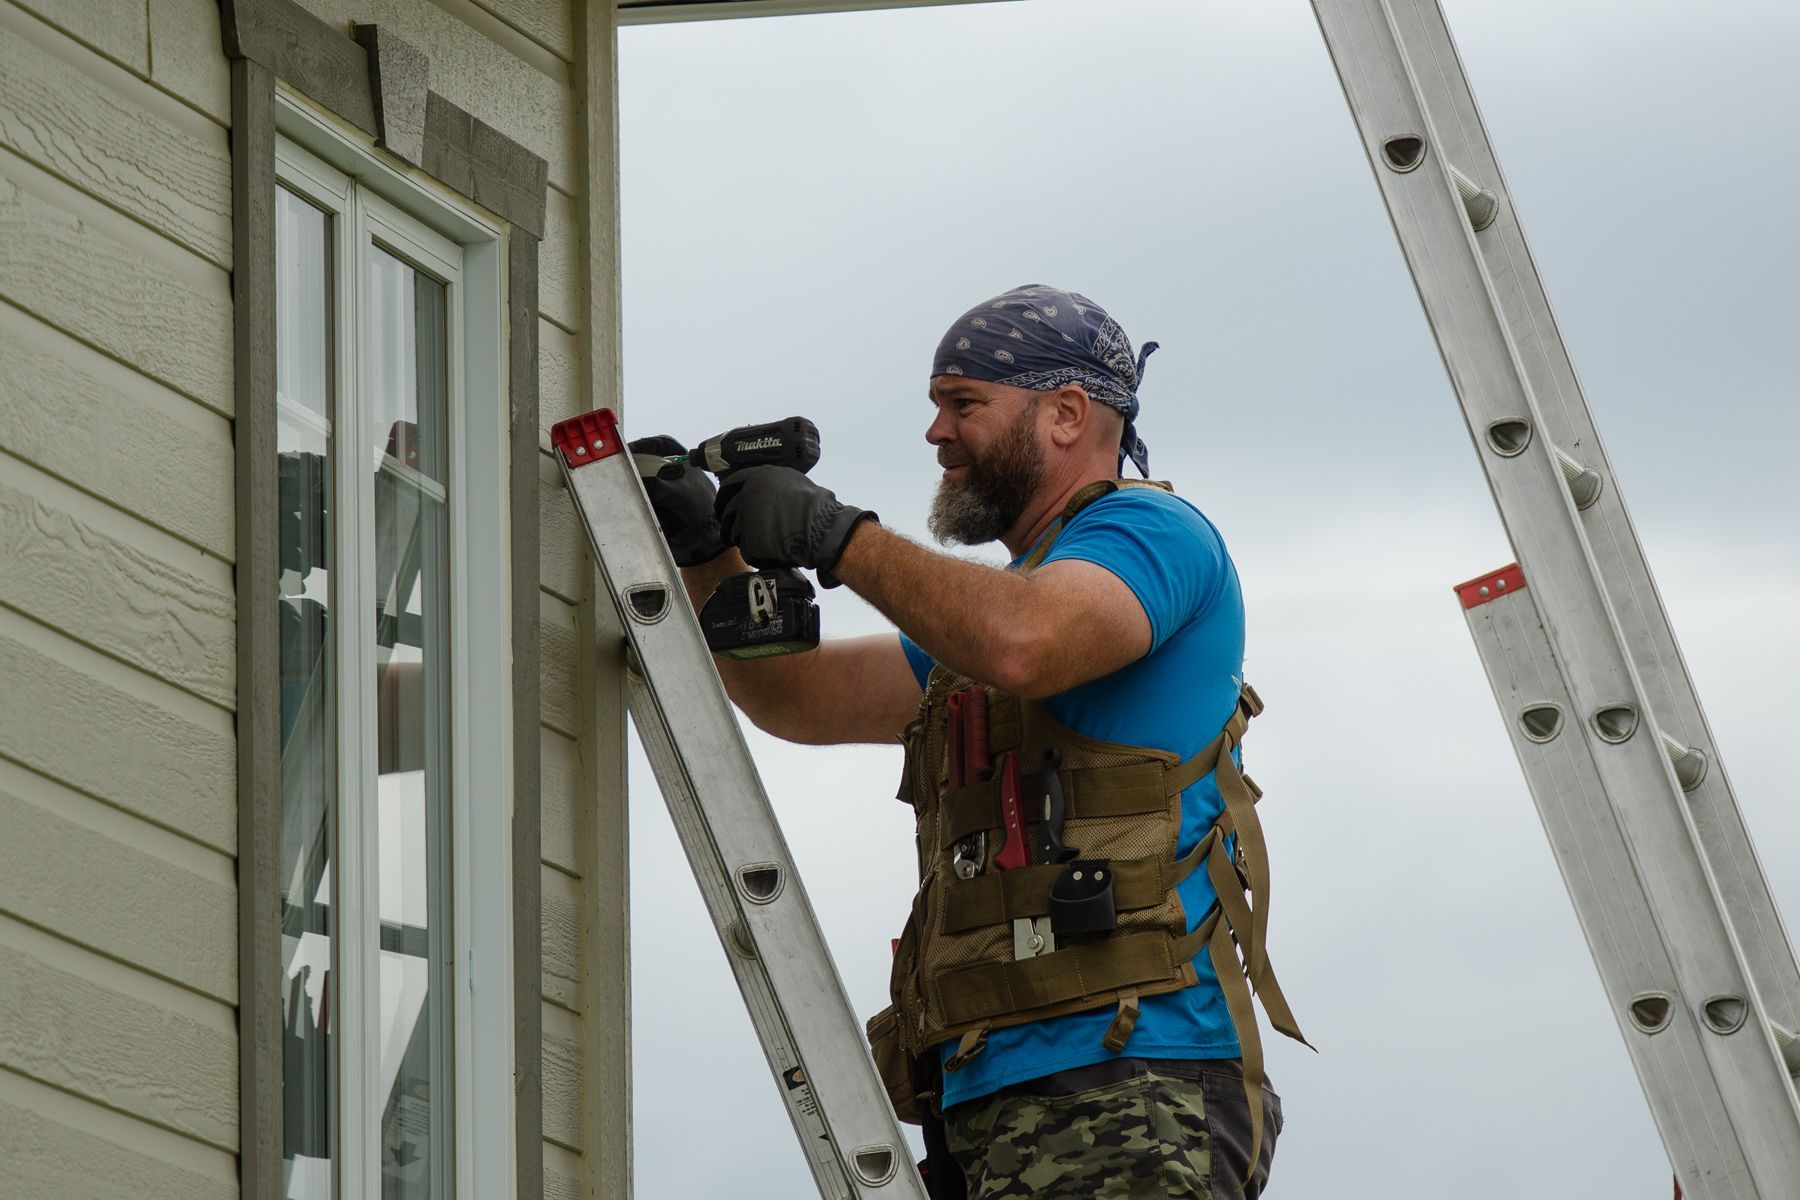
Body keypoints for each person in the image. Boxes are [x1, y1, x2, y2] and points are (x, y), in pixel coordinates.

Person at [634, 284, 1305, 1199]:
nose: (937, 435)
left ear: (1067, 414)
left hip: (1133, 1074)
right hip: (990, 1089)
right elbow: (797, 699)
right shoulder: (981, 621)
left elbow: (1024, 642)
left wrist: (839, 539)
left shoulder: (1152, 533)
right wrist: (708, 552)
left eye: (963, 404)